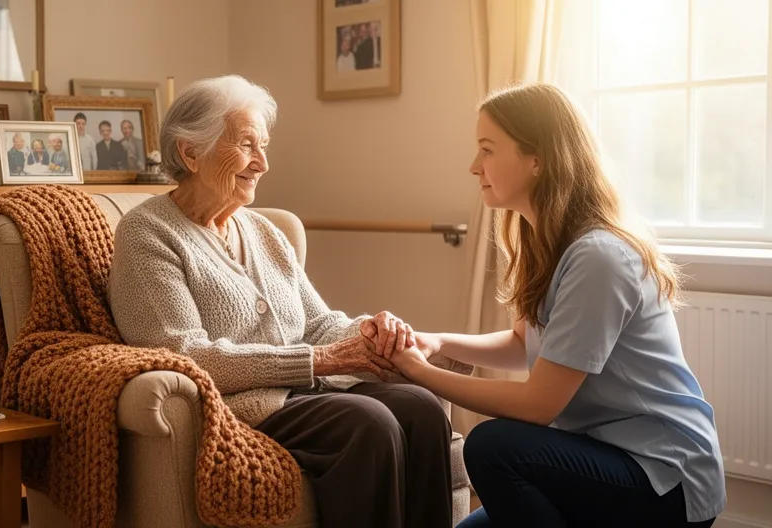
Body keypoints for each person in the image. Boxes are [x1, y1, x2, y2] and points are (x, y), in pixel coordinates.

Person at [107, 75, 455, 528]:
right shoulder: (147, 233)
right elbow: (184, 355)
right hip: (239, 406)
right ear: (190, 152)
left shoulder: (264, 231)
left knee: (421, 409)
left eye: (264, 146)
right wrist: (319, 360)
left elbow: (318, 325)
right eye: (247, 145)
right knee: (369, 422)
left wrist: (372, 331)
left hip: (304, 394)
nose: (263, 163)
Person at [374, 83, 725, 528]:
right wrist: (437, 342)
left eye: (487, 149)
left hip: (662, 477)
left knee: (491, 447)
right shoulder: (547, 243)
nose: (474, 166)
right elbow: (523, 343)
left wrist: (421, 373)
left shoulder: (599, 257)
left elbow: (538, 405)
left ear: (537, 158)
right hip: (601, 455)